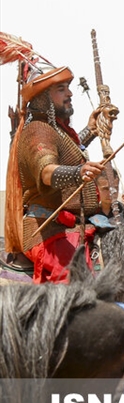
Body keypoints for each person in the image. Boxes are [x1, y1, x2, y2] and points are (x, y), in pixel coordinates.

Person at [5, 64, 108, 282]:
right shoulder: (38, 130)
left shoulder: (53, 129)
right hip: (48, 231)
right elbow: (47, 172)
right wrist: (78, 172)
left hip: (72, 227)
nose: (70, 93)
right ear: (43, 97)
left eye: (68, 87)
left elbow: (66, 154)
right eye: (61, 89)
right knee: (76, 285)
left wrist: (91, 131)